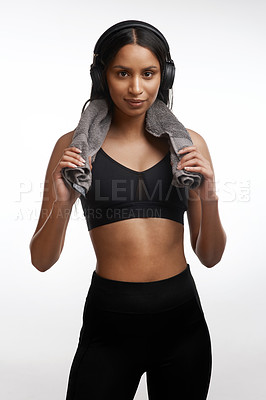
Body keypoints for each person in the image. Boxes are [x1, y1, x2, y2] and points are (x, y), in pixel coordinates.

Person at [30, 20, 226, 400]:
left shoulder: (187, 147)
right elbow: (41, 260)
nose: (136, 88)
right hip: (110, 322)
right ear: (103, 76)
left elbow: (211, 256)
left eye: (148, 73)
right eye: (123, 73)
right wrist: (62, 201)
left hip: (182, 324)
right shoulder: (73, 149)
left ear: (163, 75)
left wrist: (210, 193)